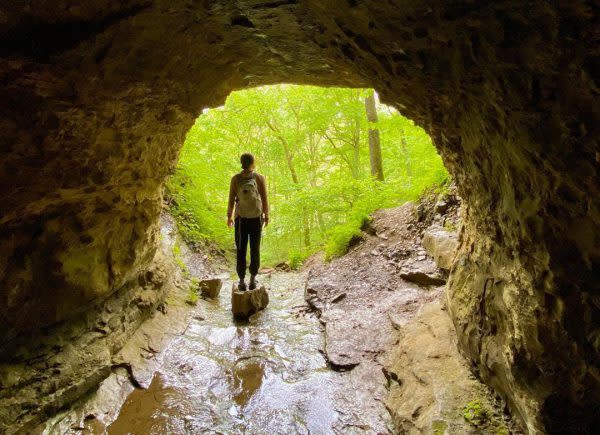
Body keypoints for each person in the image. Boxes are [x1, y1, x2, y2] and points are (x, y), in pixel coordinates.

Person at [227, 153, 269, 291]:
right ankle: (252, 279)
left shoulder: (235, 179)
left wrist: (229, 216)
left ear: (242, 163)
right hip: (256, 219)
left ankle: (241, 281)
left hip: (241, 220)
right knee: (255, 249)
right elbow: (264, 198)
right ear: (252, 163)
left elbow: (231, 198)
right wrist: (266, 214)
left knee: (241, 249)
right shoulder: (259, 178)